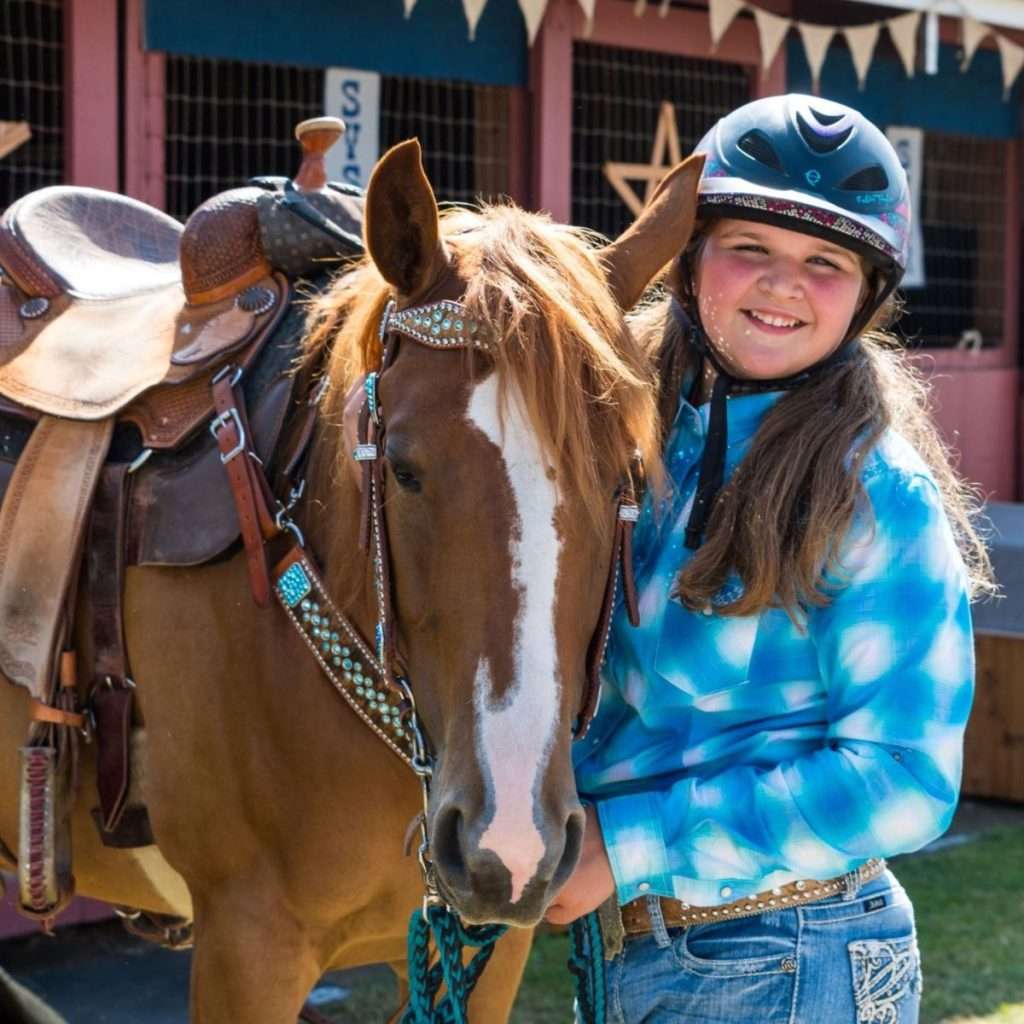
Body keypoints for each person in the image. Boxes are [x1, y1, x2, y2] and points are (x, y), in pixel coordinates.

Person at [544, 94, 994, 1023]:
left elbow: (905, 785)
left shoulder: (877, 496)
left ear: (867, 296)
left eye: (825, 262)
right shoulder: (640, 445)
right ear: (690, 260)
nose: (784, 284)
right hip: (640, 950)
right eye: (750, 246)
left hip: (796, 959)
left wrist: (620, 844)